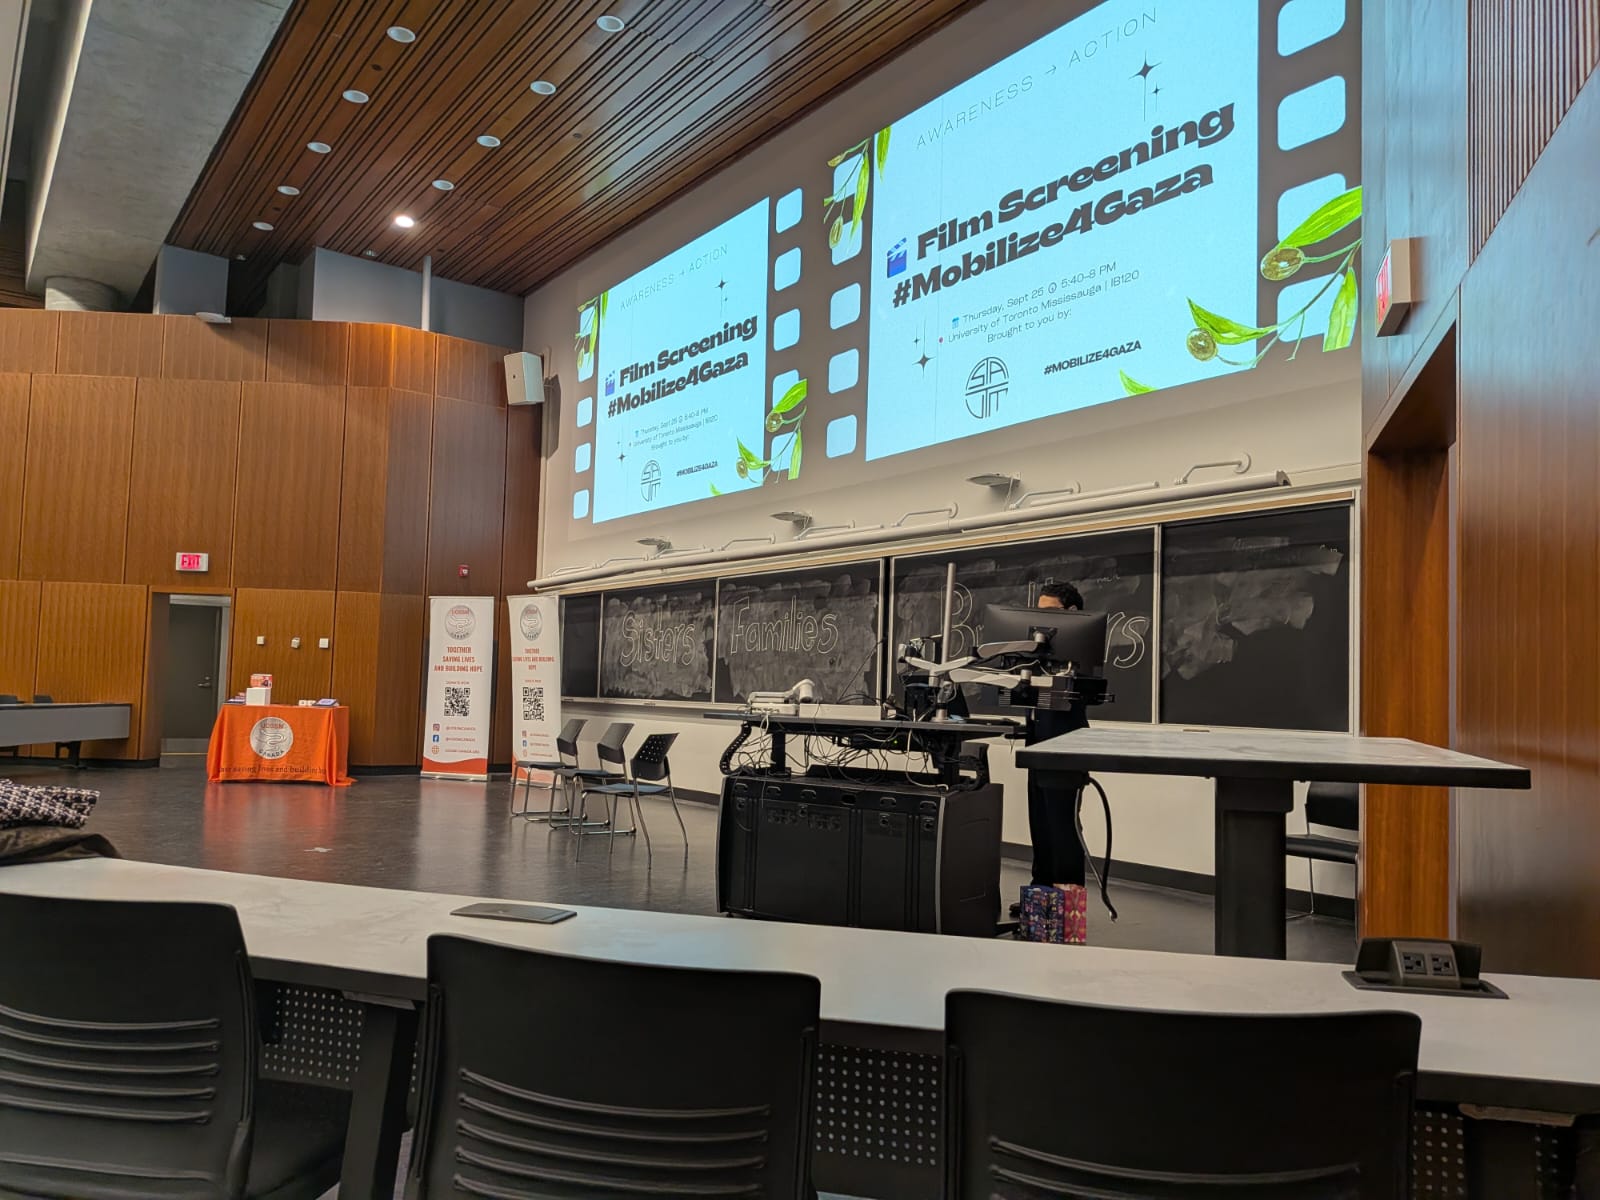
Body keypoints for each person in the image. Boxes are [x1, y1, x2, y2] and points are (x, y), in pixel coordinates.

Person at [1020, 581, 1090, 942]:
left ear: (1072, 614)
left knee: (1063, 825)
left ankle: (1067, 897)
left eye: (1049, 612)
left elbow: (1087, 692)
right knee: (1040, 821)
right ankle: (1041, 893)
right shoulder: (1037, 655)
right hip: (1037, 742)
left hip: (1068, 742)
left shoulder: (1085, 649)